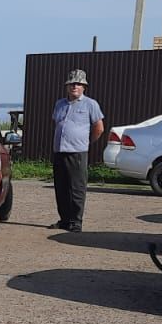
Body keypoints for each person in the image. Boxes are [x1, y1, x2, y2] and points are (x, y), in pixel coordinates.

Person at [51, 69, 105, 232]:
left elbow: (99, 128)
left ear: (84, 87)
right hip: (60, 151)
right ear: (67, 86)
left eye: (78, 84)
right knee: (61, 187)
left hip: (77, 152)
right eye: (72, 83)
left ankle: (75, 221)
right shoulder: (60, 104)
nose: (75, 86)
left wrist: (86, 142)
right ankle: (64, 219)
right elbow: (57, 123)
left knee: (76, 188)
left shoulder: (90, 104)